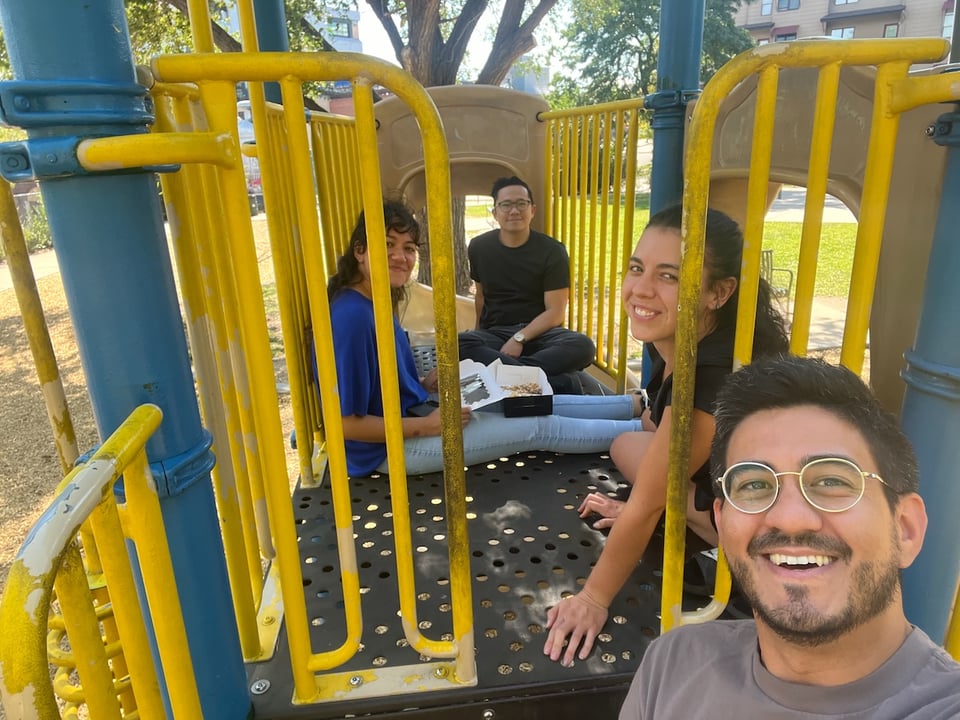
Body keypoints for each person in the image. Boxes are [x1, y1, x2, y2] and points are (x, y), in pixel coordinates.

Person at [619, 355, 960, 719]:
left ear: (905, 528)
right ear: (721, 521)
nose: (790, 518)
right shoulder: (672, 665)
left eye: (831, 481)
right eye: (754, 485)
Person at [543, 205, 790, 666]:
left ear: (718, 292)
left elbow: (649, 496)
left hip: (770, 531)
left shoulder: (711, 375)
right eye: (637, 268)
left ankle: (718, 540)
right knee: (626, 445)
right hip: (731, 496)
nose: (641, 288)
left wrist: (592, 599)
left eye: (669, 276)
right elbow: (656, 431)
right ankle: (697, 516)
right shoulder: (684, 340)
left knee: (639, 466)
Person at [328, 200, 649, 477]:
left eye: (408, 248)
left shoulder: (373, 301)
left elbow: (379, 385)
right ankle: (649, 434)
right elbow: (345, 424)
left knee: (524, 402)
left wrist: (422, 384)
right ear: (360, 251)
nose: (400, 257)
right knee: (535, 427)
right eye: (387, 244)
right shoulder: (352, 316)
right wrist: (426, 427)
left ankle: (637, 405)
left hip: (416, 411)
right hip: (386, 450)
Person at [458, 176, 596, 394]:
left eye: (521, 204)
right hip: (496, 334)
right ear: (495, 212)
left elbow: (555, 311)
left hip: (541, 335)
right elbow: (481, 296)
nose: (514, 211)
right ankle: (556, 382)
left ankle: (506, 379)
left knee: (583, 346)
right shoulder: (479, 246)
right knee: (459, 344)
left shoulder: (552, 251)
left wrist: (519, 338)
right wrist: (478, 334)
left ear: (532, 210)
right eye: (506, 204)